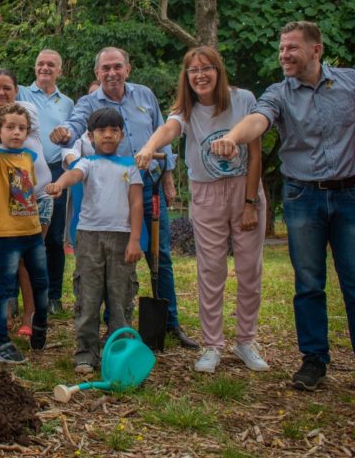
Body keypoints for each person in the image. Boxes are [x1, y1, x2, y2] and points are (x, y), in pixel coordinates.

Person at [210, 21, 355, 391]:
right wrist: (231, 137)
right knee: (309, 283)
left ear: (316, 49)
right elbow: (258, 120)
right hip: (302, 196)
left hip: (349, 194)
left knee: (353, 281)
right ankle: (314, 361)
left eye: (292, 48)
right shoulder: (279, 93)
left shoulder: (349, 84)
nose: (284, 55)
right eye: (281, 49)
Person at [50, 47, 198, 348]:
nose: (112, 73)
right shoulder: (89, 103)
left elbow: (163, 134)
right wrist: (65, 131)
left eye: (117, 66)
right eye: (106, 68)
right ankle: (113, 324)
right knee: (111, 258)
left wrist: (168, 178)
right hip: (110, 190)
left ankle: (170, 322)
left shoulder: (144, 95)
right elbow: (77, 123)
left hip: (148, 183)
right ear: (97, 73)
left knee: (160, 255)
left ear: (128, 69)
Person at [136, 47, 268, 373]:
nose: (200, 75)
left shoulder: (243, 100)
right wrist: (150, 146)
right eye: (193, 71)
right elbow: (170, 129)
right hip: (206, 194)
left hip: (243, 190)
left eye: (207, 68)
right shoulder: (187, 107)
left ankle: (246, 340)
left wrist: (250, 203)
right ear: (187, 76)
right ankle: (212, 345)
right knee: (211, 272)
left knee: (250, 270)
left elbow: (254, 155)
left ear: (218, 70)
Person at [46, 108, 143, 374]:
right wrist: (60, 185)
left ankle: (119, 353)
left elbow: (136, 203)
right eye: (102, 131)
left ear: (121, 134)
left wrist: (135, 240)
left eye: (114, 130)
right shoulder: (87, 163)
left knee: (121, 297)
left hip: (122, 239)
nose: (108, 135)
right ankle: (86, 352)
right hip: (89, 237)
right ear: (90, 136)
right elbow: (72, 175)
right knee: (87, 297)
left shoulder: (131, 166)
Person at [0, 68, 52, 338]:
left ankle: (30, 316)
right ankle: (5, 316)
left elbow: (12, 112)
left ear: (17, 91)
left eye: (7, 87)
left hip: (38, 200)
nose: (1, 93)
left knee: (27, 264)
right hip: (5, 207)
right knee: (9, 264)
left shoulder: (26, 110)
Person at [16, 49, 75, 314]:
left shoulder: (68, 103)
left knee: (53, 236)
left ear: (59, 70)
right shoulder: (22, 93)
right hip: (24, 169)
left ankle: (53, 296)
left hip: (56, 170)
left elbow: (72, 136)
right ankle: (16, 297)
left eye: (51, 64)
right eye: (40, 63)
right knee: (21, 234)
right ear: (34, 67)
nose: (45, 68)